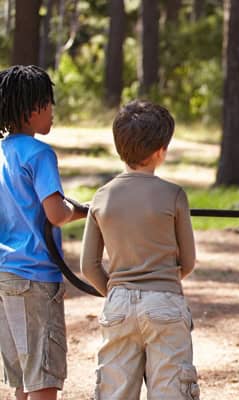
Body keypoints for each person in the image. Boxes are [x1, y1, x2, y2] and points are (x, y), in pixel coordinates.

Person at [80, 100, 199, 399]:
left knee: (115, 391)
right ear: (161, 151)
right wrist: (161, 281)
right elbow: (188, 261)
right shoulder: (174, 195)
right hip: (164, 303)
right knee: (171, 390)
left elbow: (88, 266)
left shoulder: (101, 197)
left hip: (118, 304)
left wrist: (119, 290)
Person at [0, 65, 88, 400]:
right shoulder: (39, 154)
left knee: (21, 378)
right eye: (49, 104)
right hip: (35, 278)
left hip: (4, 277)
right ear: (32, 109)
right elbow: (56, 213)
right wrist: (85, 212)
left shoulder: (2, 153)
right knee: (43, 377)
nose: (53, 111)